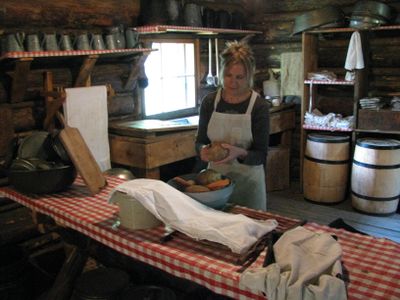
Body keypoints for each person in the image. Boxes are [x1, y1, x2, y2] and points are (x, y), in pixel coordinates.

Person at [195, 40, 270, 211]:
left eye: (239, 77)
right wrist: (202, 151)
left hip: (249, 183)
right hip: (215, 183)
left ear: (249, 76)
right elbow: (200, 141)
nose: (233, 82)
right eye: (228, 75)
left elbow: (261, 154)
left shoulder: (258, 106)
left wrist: (240, 153)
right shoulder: (210, 102)